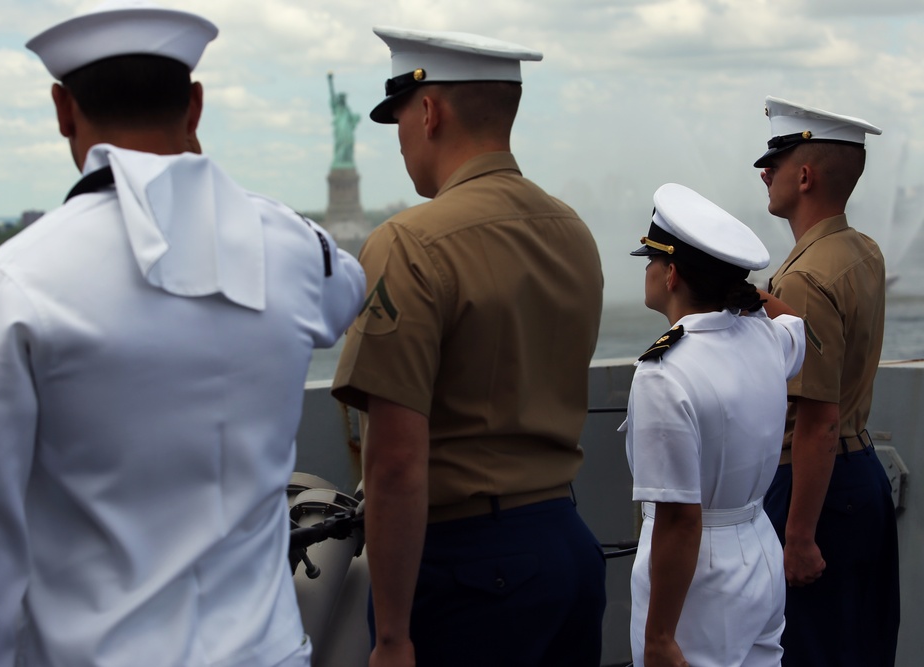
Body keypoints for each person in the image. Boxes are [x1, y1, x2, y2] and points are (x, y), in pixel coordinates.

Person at [0, 3, 364, 667]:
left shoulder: (12, 283)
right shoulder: (293, 250)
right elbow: (348, 290)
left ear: (62, 110)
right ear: (195, 105)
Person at [331, 26, 606, 667]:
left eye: (397, 117)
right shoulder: (573, 232)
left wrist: (394, 638)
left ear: (427, 111)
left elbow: (396, 462)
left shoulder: (407, 243)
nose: (398, 139)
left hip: (465, 571)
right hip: (566, 547)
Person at [624, 183, 805, 667]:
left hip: (698, 581)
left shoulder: (664, 371)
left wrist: (660, 636)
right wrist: (740, 292)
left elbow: (680, 518)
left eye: (650, 259)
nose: (645, 268)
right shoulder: (762, 335)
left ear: (671, 274)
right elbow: (797, 324)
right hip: (760, 548)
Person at [755, 97, 900, 666]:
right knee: (862, 643)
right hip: (858, 475)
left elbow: (817, 417)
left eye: (776, 162)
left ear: (806, 175)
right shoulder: (860, 251)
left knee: (810, 647)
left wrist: (799, 536)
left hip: (813, 485)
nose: (765, 174)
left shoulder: (808, 276)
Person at [328, 72, 360, 169]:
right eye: (341, 98)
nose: (342, 100)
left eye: (343, 98)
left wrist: (356, 118)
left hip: (347, 130)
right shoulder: (337, 108)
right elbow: (332, 94)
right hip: (340, 130)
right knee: (341, 144)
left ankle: (347, 160)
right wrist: (330, 81)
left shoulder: (347, 110)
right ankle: (339, 160)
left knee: (348, 142)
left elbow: (353, 120)